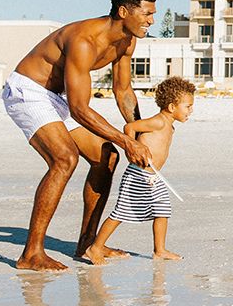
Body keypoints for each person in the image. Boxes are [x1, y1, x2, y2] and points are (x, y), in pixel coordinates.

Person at [3, 0, 157, 271]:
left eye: (153, 14)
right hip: (28, 91)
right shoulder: (84, 39)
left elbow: (123, 90)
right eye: (147, 14)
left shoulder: (127, 40)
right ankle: (31, 254)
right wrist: (127, 143)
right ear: (124, 12)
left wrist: (138, 132)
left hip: (56, 97)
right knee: (64, 159)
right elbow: (80, 109)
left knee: (106, 157)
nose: (151, 21)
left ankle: (87, 244)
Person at [83, 75, 194, 263]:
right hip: (138, 174)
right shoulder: (158, 122)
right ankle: (95, 248)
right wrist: (132, 149)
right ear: (172, 107)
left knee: (162, 210)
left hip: (153, 176)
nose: (191, 110)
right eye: (188, 106)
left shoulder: (169, 125)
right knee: (121, 212)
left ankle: (160, 250)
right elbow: (130, 127)